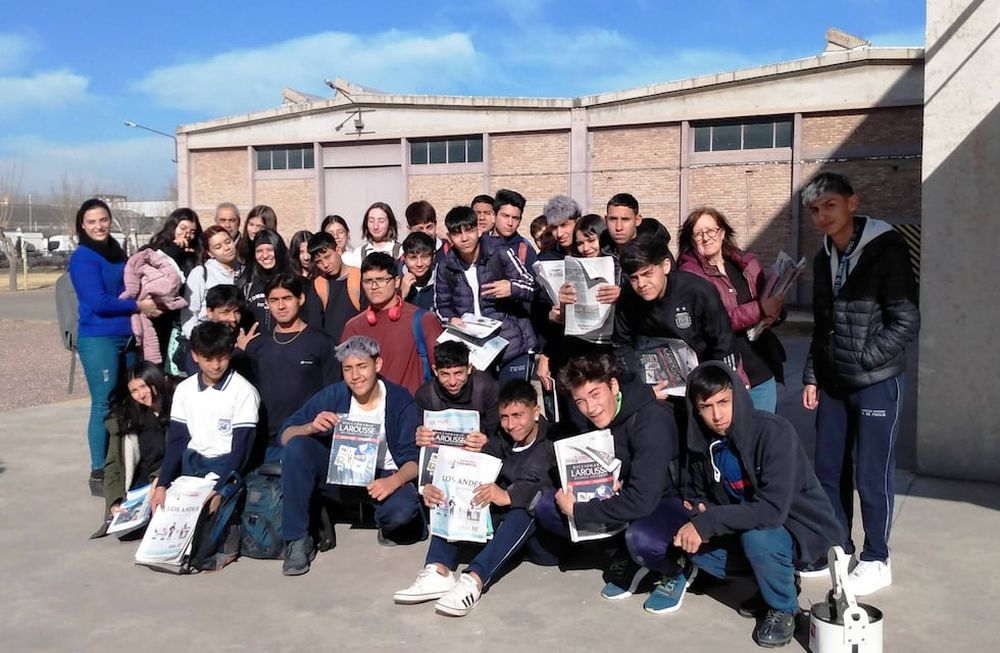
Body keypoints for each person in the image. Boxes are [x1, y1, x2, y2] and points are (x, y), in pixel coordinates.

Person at [800, 171, 920, 596]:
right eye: (815, 210)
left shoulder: (885, 248)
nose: (822, 216)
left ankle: (876, 557)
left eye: (830, 205)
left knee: (871, 473)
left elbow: (906, 320)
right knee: (829, 470)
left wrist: (862, 359)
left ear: (852, 202)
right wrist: (814, 374)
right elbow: (822, 324)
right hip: (833, 383)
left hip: (875, 381)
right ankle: (838, 546)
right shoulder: (822, 257)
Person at [678, 362, 842, 647]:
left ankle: (784, 608)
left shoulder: (773, 432)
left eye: (724, 402)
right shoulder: (700, 443)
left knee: (759, 538)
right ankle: (770, 587)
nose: (717, 415)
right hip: (745, 523)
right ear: (696, 408)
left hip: (798, 528)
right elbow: (694, 492)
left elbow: (772, 510)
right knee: (693, 546)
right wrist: (696, 512)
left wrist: (708, 521)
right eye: (706, 406)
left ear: (738, 396)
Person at [533, 351, 687, 614]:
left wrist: (580, 510)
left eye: (595, 394)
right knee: (548, 505)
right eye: (580, 401)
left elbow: (643, 499)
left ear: (613, 386)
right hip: (623, 496)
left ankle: (676, 569)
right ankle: (625, 556)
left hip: (665, 502)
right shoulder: (589, 417)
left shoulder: (651, 421)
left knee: (642, 539)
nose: (590, 408)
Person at [394, 380, 556, 616]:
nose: (511, 425)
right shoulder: (501, 437)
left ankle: (474, 580)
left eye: (518, 415)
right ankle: (438, 569)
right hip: (502, 531)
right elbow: (473, 471)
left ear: (536, 411)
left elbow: (544, 485)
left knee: (529, 506)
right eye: (504, 417)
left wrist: (508, 495)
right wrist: (436, 486)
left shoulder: (552, 441)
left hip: (541, 539)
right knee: (452, 489)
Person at [278, 336, 426, 575]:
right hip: (341, 474)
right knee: (297, 447)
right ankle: (297, 539)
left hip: (382, 477)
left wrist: (394, 481)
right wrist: (310, 428)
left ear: (377, 365)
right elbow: (285, 435)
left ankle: (384, 520)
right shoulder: (333, 395)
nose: (355, 376)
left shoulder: (399, 399)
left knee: (402, 514)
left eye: (362, 367)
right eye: (348, 369)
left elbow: (414, 459)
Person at [69, 198, 160, 493]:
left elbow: (127, 285)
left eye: (103, 219)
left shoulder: (116, 251)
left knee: (130, 398)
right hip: (99, 337)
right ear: (82, 225)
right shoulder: (83, 257)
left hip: (128, 334)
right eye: (92, 221)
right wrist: (138, 305)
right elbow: (97, 301)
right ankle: (99, 469)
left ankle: (128, 461)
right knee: (104, 402)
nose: (99, 226)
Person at [153, 321, 260, 566]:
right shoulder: (185, 390)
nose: (215, 365)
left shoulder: (243, 392)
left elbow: (241, 450)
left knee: (202, 547)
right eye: (208, 358)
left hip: (226, 468)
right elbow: (178, 440)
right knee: (165, 530)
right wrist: (163, 483)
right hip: (191, 470)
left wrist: (221, 490)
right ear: (194, 356)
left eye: (221, 357)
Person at [678, 207, 786, 412]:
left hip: (761, 367)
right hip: (724, 374)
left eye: (711, 231)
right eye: (698, 233)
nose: (706, 237)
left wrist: (776, 313)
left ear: (722, 232)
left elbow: (767, 300)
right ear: (691, 240)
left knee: (764, 436)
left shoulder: (746, 263)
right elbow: (715, 320)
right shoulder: (689, 276)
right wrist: (760, 309)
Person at [614, 234, 742, 401]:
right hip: (656, 389)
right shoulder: (628, 296)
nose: (641, 284)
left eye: (647, 274)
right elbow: (622, 343)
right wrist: (638, 385)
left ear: (665, 265)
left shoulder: (698, 292)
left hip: (702, 384)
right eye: (634, 278)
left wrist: (715, 387)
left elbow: (724, 344)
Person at [242, 274, 339, 464]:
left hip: (307, 439)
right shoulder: (257, 346)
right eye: (274, 300)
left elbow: (333, 392)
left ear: (300, 299)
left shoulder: (322, 343)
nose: (281, 306)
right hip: (263, 444)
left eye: (287, 298)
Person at [434, 205, 536, 385]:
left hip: (511, 346)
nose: (465, 238)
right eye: (457, 234)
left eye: (469, 231)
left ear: (479, 230)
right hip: (475, 351)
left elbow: (531, 285)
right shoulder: (445, 267)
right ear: (449, 238)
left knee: (513, 406)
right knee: (485, 408)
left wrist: (511, 287)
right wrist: (450, 319)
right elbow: (441, 306)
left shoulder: (500, 252)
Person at [91, 361, 173, 539]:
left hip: (168, 477)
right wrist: (114, 500)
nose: (141, 395)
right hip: (141, 486)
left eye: (143, 386)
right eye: (134, 391)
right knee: (129, 531)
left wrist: (160, 479)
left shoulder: (177, 409)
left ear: (155, 381)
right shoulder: (125, 419)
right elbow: (113, 464)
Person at [341, 252, 443, 395]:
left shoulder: (424, 320)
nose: (374, 286)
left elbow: (444, 369)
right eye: (368, 281)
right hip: (369, 412)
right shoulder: (353, 327)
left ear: (396, 281)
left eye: (381, 279)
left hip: (412, 410)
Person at [414, 341, 500, 441]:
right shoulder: (426, 395)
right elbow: (416, 431)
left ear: (469, 369)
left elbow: (498, 434)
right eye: (445, 374)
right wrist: (420, 435)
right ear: (435, 371)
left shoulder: (486, 387)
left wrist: (487, 443)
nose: (452, 382)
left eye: (458, 373)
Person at [301, 232, 363, 341]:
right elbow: (315, 328)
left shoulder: (359, 277)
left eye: (327, 257)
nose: (325, 265)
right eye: (319, 262)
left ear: (338, 250)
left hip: (359, 348)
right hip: (330, 351)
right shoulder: (319, 285)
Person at [180, 225, 239, 339]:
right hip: (208, 340)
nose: (226, 248)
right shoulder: (201, 273)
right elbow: (189, 313)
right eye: (218, 246)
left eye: (228, 242)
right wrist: (197, 342)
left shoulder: (243, 271)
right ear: (210, 252)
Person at [236, 229, 291, 335]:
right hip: (254, 347)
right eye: (259, 251)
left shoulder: (293, 281)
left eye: (270, 250)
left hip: (286, 345)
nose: (265, 255)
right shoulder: (247, 284)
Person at [602, 193, 672, 258]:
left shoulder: (656, 254)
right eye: (613, 219)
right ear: (606, 220)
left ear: (637, 220)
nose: (618, 227)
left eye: (625, 219)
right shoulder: (598, 251)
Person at [485, 189, 535, 267]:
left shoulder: (524, 250)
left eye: (515, 218)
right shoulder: (478, 244)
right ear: (493, 216)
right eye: (505, 216)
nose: (510, 223)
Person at [346, 201, 402, 267]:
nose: (375, 226)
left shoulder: (401, 250)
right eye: (371, 221)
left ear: (390, 223)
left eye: (381, 221)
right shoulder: (358, 253)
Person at [400, 231, 437, 311]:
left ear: (433, 257)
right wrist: (401, 295)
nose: (419, 264)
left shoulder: (441, 281)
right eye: (413, 257)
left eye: (425, 257)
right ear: (404, 258)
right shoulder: (394, 280)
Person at [540, 195, 581, 261]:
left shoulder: (590, 252)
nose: (559, 234)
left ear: (577, 221)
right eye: (554, 227)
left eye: (564, 225)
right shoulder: (545, 260)